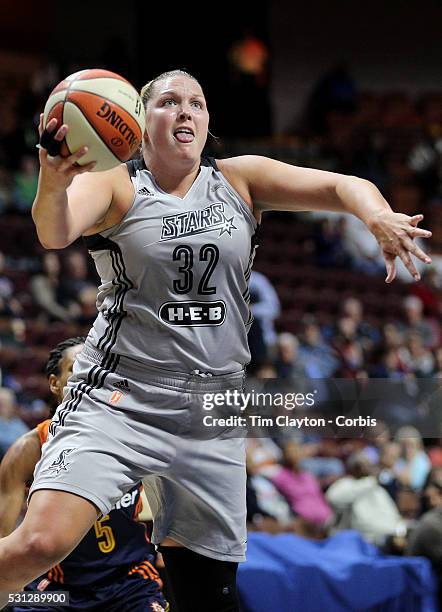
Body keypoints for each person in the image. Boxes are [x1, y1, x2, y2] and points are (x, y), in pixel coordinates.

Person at [0, 68, 432, 612]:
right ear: (138, 120)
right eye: (170, 102)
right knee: (41, 542)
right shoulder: (115, 182)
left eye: (197, 103)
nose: (186, 111)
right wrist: (54, 177)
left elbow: (340, 185)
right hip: (122, 395)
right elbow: (54, 230)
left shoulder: (239, 178)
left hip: (211, 406)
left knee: (209, 596)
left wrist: (377, 215)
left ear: (207, 123)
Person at [0, 336, 167, 612]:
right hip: (56, 591)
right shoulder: (28, 450)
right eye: (78, 369)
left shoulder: (139, 438)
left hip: (128, 582)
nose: (91, 380)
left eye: (98, 370)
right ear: (55, 383)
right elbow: (4, 537)